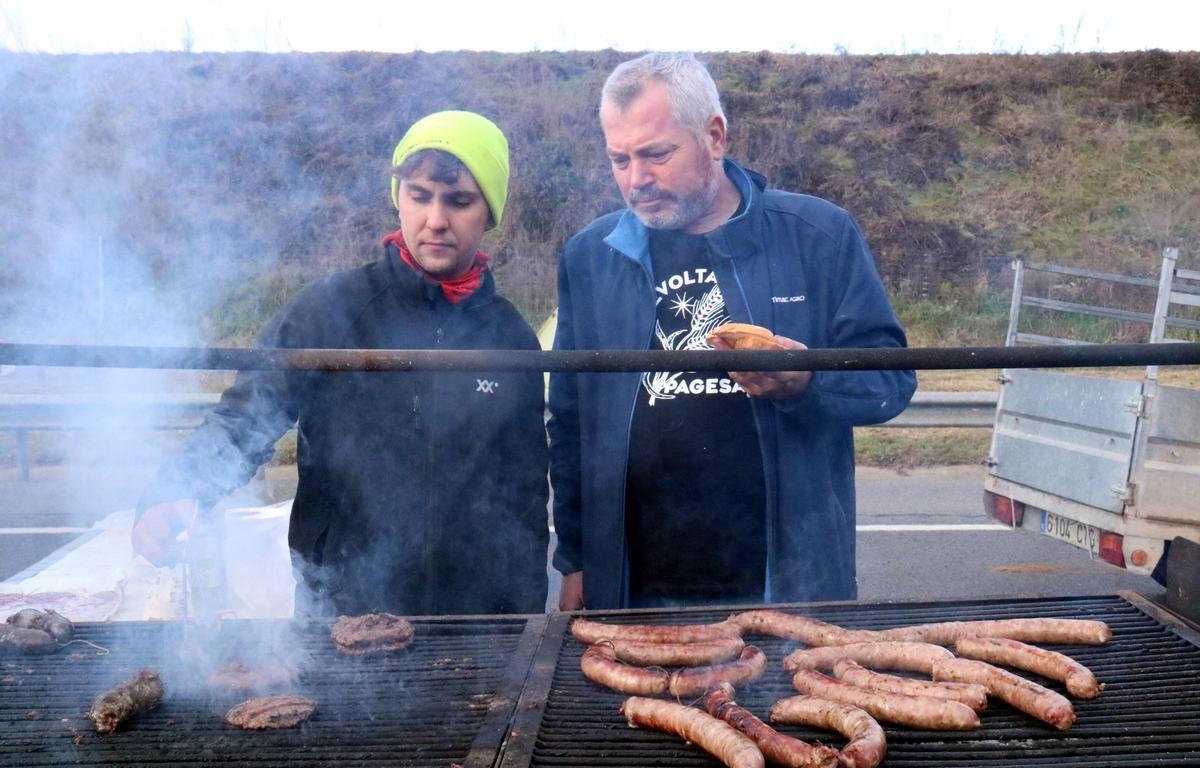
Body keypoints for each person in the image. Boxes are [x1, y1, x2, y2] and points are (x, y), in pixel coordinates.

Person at [133, 110, 549, 616]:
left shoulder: (510, 336)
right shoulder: (328, 310)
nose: (435, 220)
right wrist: (176, 490)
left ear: (490, 212)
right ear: (399, 199)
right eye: (419, 196)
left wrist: (526, 611)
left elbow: (526, 490)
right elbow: (246, 415)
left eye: (459, 201)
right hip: (342, 605)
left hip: (478, 614)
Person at [548, 53, 917, 611]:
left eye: (657, 154)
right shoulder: (589, 257)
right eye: (619, 160)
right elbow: (571, 421)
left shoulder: (817, 235)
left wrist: (808, 382)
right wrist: (574, 561)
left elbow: (891, 380)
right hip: (632, 587)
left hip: (787, 586)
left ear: (714, 136)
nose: (636, 180)